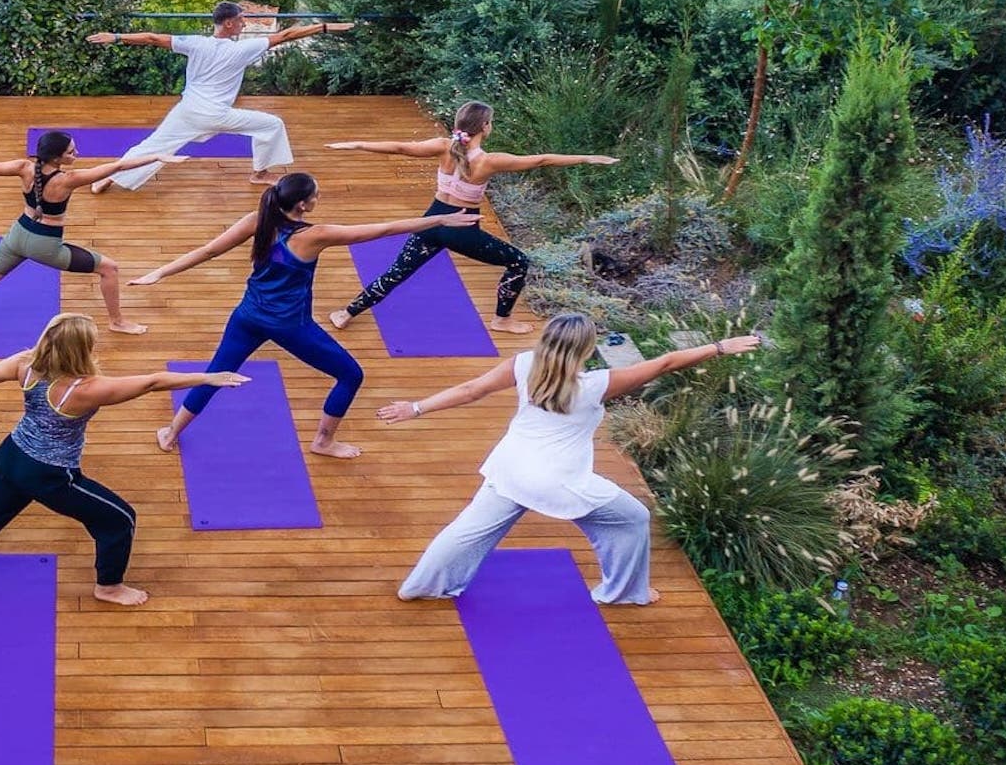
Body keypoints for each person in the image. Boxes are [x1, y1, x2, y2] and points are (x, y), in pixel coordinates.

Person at [378, 316, 760, 604]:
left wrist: (416, 407)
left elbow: (470, 389)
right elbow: (665, 362)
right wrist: (719, 347)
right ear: (585, 350)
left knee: (468, 531)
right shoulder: (596, 385)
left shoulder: (524, 365)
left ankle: (419, 586)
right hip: (558, 481)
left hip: (509, 467)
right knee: (633, 518)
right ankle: (625, 592)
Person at [0, 312, 245, 607]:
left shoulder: (26, 364)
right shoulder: (86, 389)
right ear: (82, 349)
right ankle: (108, 587)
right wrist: (209, 377)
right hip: (50, 474)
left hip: (11, 454)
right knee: (119, 520)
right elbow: (152, 383)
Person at [135, 172, 477, 459]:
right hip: (290, 326)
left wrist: (160, 272)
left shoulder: (258, 220)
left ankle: (171, 432)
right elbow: (382, 229)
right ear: (302, 204)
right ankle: (323, 442)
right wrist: (440, 219)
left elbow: (208, 250)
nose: (318, 198)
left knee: (215, 374)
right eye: (316, 194)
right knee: (351, 375)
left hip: (247, 316)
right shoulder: (315, 235)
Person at [327, 100, 617, 337]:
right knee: (518, 262)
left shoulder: (443, 146)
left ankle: (346, 313)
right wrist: (587, 158)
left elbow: (401, 148)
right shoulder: (489, 161)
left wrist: (357, 144)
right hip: (462, 229)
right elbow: (541, 160)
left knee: (397, 272)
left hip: (432, 221)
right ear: (485, 126)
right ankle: (502, 319)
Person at [0, 131, 182, 336]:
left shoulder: (24, 167)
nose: (76, 154)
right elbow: (118, 166)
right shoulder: (68, 179)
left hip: (17, 234)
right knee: (109, 268)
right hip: (45, 246)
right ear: (57, 158)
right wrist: (157, 157)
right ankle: (117, 322)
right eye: (71, 152)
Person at [83, 1, 353, 192]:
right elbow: (287, 35)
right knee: (272, 125)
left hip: (187, 110)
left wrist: (116, 37)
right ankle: (260, 174)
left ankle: (106, 178)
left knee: (153, 146)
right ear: (229, 23)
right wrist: (324, 28)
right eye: (241, 20)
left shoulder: (195, 43)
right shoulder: (242, 49)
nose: (244, 23)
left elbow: (153, 38)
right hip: (216, 114)